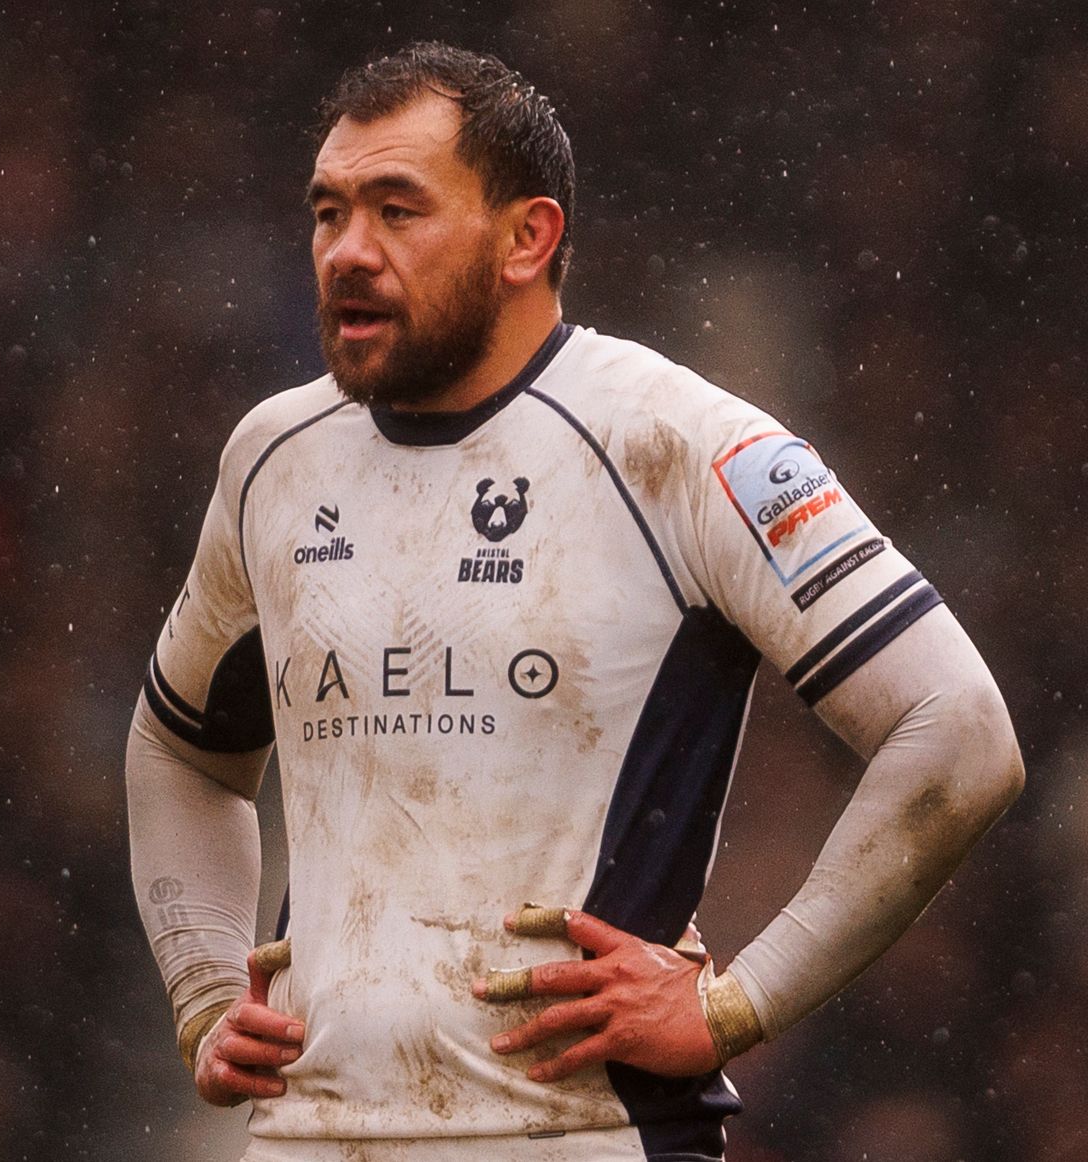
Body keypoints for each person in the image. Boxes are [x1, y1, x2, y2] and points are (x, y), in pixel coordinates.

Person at [126, 41, 1024, 1162]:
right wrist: (207, 991)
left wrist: (736, 1005)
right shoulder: (273, 457)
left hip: (578, 1131)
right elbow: (182, 751)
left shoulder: (679, 442)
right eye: (327, 212)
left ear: (526, 237)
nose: (347, 252)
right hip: (308, 1135)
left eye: (397, 209)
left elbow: (959, 735)